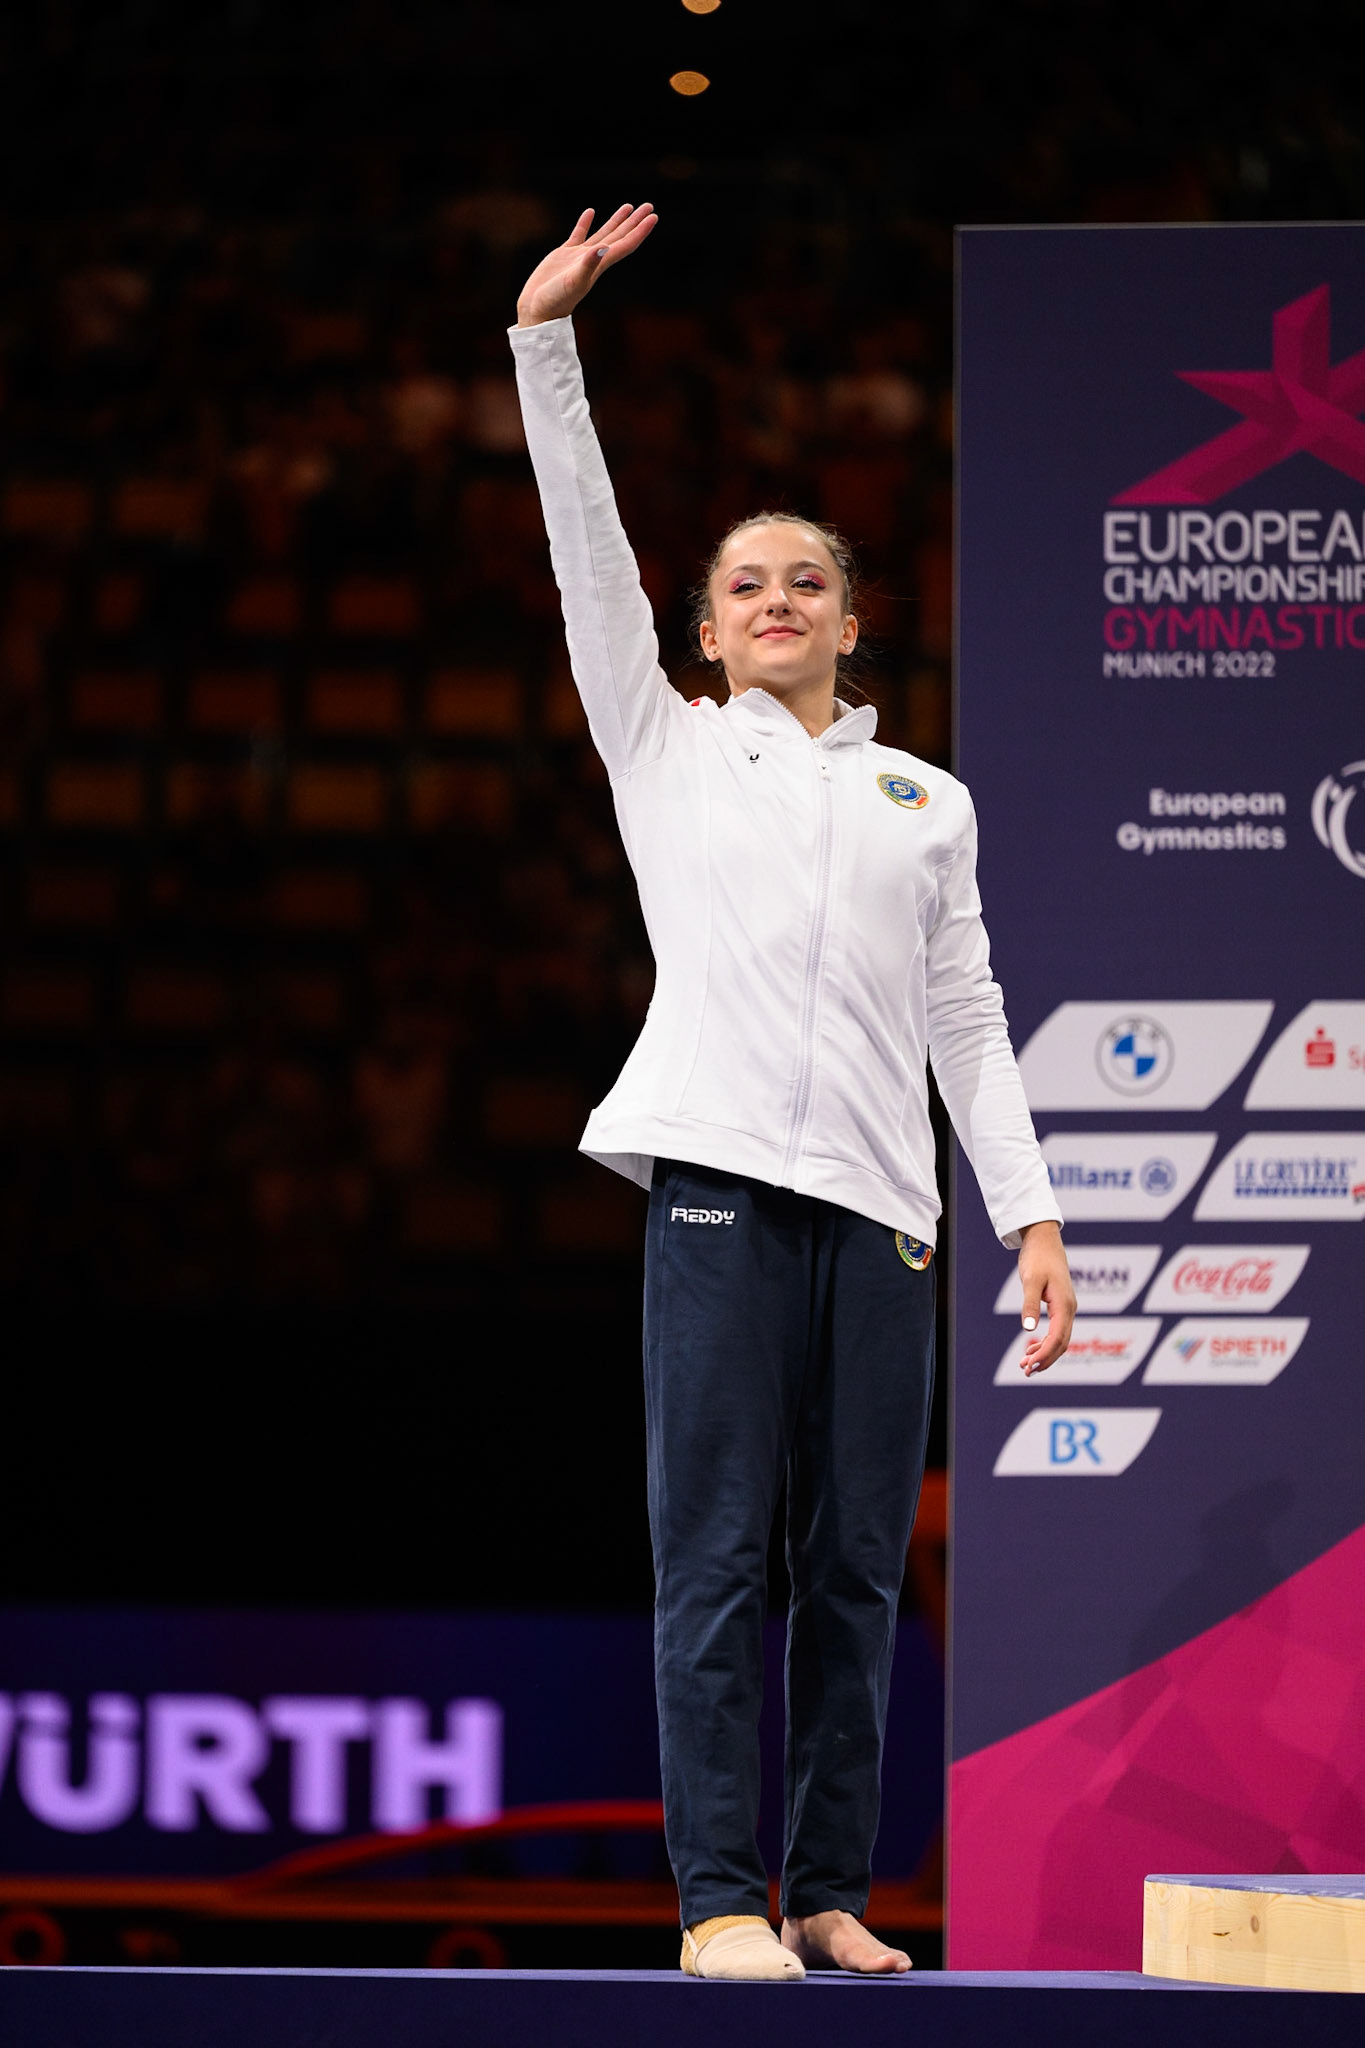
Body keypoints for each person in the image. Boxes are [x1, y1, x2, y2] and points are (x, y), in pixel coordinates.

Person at [510, 205, 1075, 1983]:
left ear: (848, 617)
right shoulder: (667, 749)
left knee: (850, 1574)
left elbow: (966, 1016)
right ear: (703, 629)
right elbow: (585, 553)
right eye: (744, 583)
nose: (775, 599)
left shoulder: (929, 802)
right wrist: (544, 342)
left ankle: (826, 1890)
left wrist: (1028, 1214)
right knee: (715, 1562)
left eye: (805, 580)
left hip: (885, 1217)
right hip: (718, 1195)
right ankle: (715, 1901)